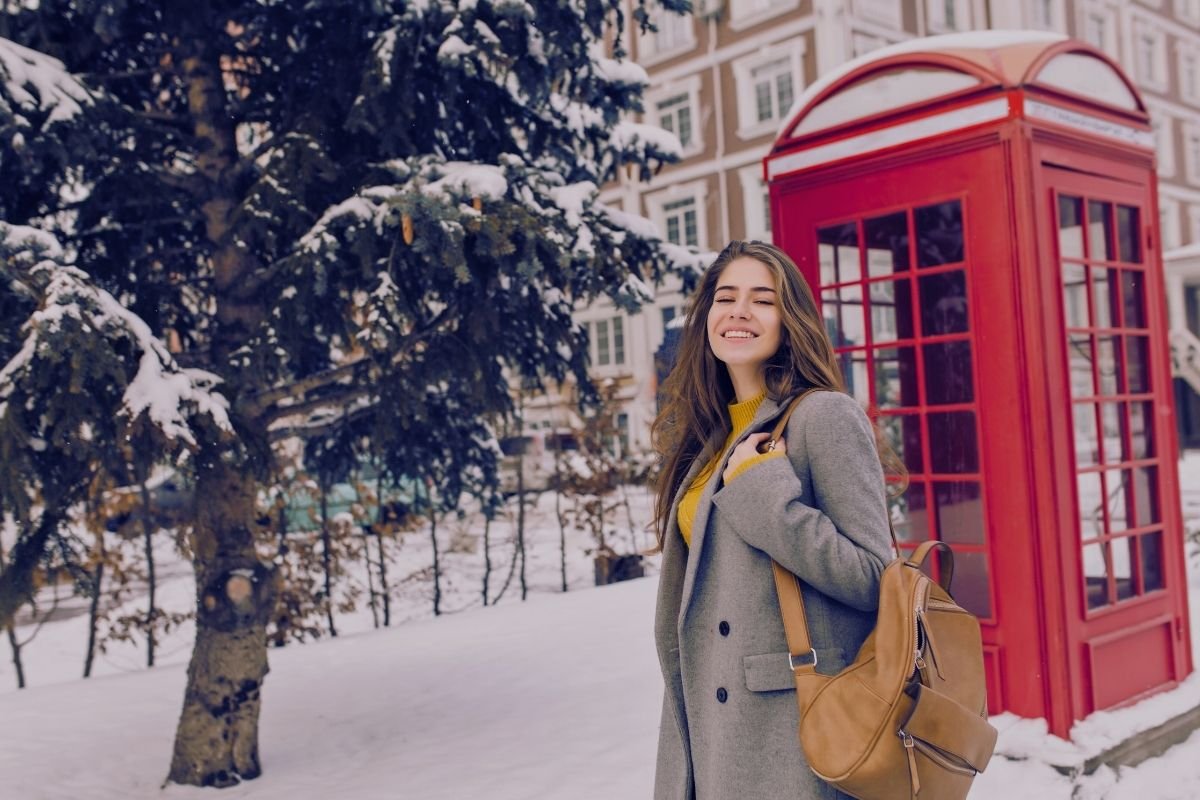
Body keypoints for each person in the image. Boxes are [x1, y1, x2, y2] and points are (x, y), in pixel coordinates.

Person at [650, 240, 899, 800]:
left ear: (791, 323)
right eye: (725, 297)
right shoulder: (713, 437)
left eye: (762, 300)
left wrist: (764, 494)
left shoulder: (822, 415)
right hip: (712, 732)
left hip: (794, 737)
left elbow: (873, 578)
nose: (738, 311)